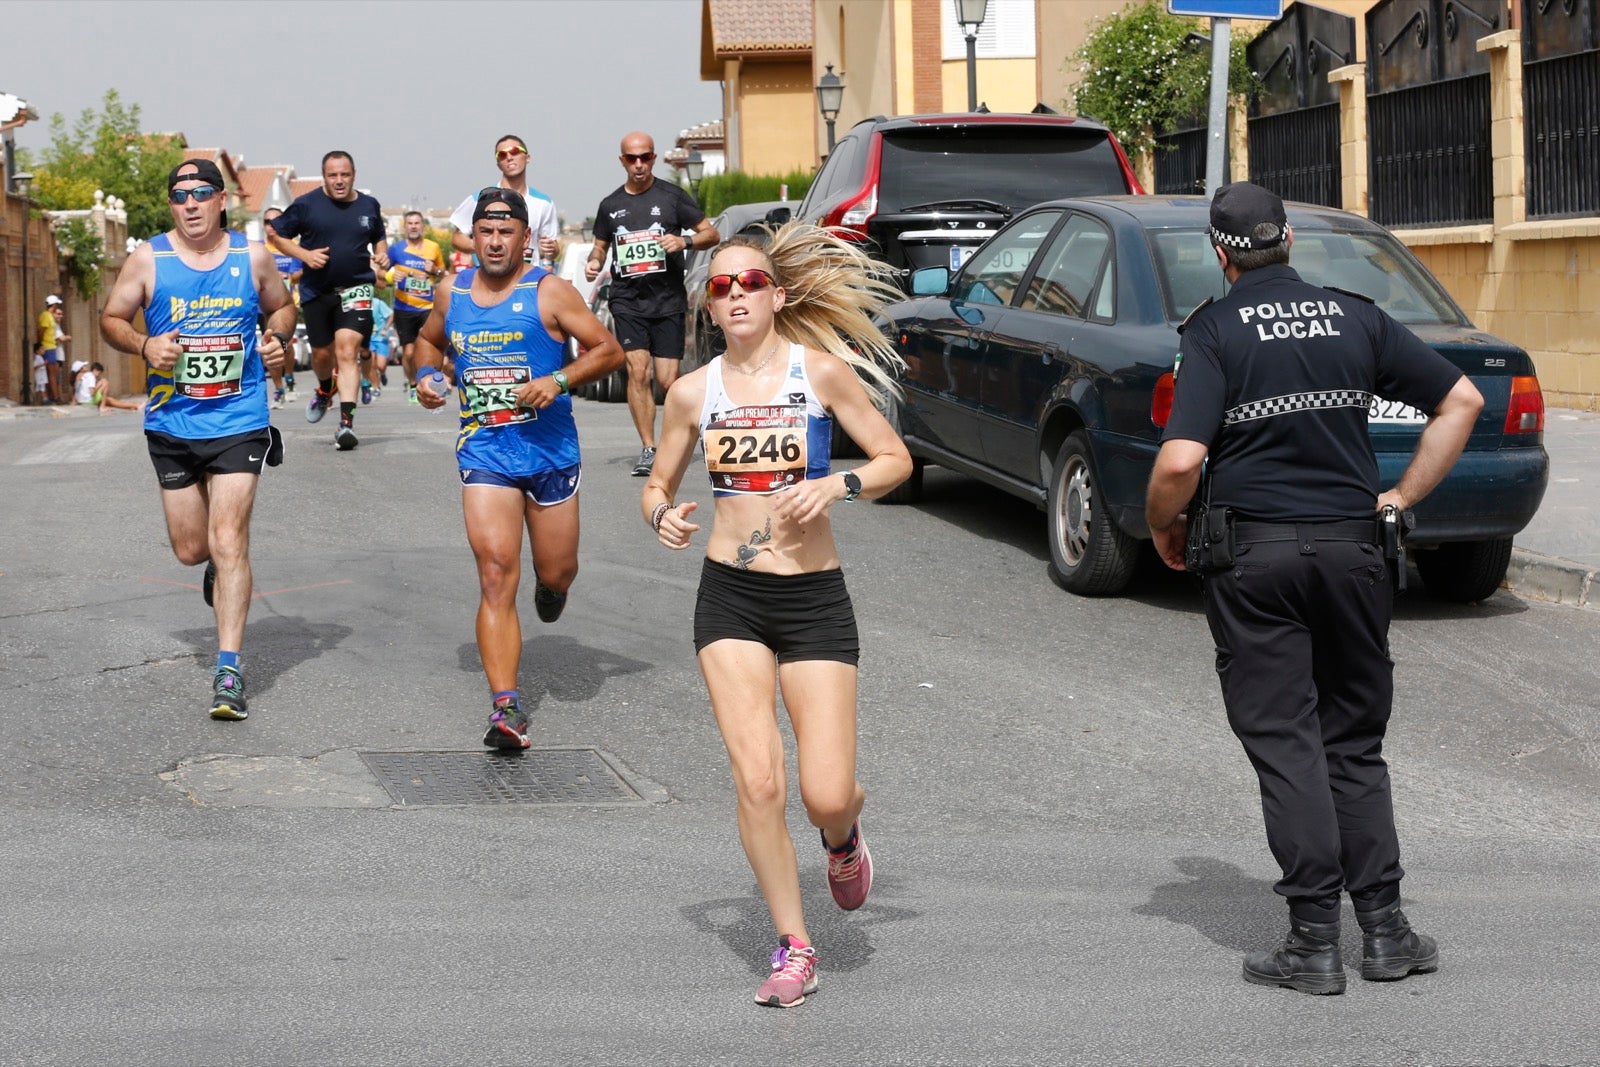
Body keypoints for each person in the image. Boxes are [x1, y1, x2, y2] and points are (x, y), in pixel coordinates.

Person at [1144, 182, 1484, 996]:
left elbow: (1182, 460)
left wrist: (1163, 526)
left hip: (1254, 559)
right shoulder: (1355, 315)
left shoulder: (1214, 330)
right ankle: (1387, 932)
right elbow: (1460, 399)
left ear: (1220, 254)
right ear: (1289, 239)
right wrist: (1399, 499)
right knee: (1353, 740)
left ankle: (1312, 943)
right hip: (1353, 550)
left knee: (1288, 741)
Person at [641, 222, 912, 1008]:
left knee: (825, 791)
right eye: (720, 287)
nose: (734, 296)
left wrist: (839, 486)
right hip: (730, 596)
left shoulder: (820, 373)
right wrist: (661, 513)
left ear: (777, 294)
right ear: (709, 305)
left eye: (749, 283)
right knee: (759, 779)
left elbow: (893, 457)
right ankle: (796, 945)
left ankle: (843, 834)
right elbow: (656, 482)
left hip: (814, 598)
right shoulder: (694, 392)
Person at [413, 188, 624, 750]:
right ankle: (505, 707)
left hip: (550, 455)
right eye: (486, 231)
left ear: (525, 238)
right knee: (495, 572)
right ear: (473, 236)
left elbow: (608, 350)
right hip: (485, 452)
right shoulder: (450, 291)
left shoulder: (550, 291)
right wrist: (427, 379)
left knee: (555, 573)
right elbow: (427, 344)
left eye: (507, 232)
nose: (496, 241)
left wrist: (556, 381)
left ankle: (552, 591)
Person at [99, 159, 296, 721]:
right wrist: (142, 346)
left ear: (220, 201)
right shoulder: (148, 259)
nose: (190, 204)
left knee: (229, 537)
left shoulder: (251, 256)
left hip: (239, 415)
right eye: (180, 196)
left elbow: (281, 307)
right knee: (194, 549)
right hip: (171, 422)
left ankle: (228, 669)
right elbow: (112, 318)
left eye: (201, 194)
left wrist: (277, 339)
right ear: (172, 205)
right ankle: (213, 565)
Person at [586, 131, 719, 476]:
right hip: (628, 299)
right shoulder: (610, 205)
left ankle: (690, 435)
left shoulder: (673, 197)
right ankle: (649, 447)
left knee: (668, 379)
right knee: (637, 371)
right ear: (622, 161)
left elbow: (711, 233)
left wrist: (683, 240)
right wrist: (593, 261)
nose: (639, 164)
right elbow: (600, 246)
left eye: (645, 157)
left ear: (654, 158)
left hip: (667, 298)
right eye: (632, 158)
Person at [266, 150, 389, 450]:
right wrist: (304, 255)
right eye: (332, 175)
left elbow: (379, 237)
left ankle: (346, 424)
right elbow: (275, 235)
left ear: (354, 175)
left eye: (344, 174)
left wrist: (382, 253)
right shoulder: (307, 205)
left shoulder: (368, 205)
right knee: (322, 356)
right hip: (317, 292)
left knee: (347, 352)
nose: (339, 181)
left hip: (356, 290)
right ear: (324, 177)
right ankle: (325, 388)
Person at [450, 134, 560, 267]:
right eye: (502, 155)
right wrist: (484, 246)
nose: (509, 157)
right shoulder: (481, 198)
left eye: (515, 151)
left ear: (527, 157)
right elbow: (456, 238)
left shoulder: (544, 203)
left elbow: (552, 249)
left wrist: (552, 249)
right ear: (498, 164)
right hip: (489, 279)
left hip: (528, 279)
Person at [387, 210, 447, 400]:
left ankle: (430, 382)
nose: (413, 226)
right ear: (405, 227)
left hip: (428, 307)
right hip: (404, 307)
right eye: (410, 223)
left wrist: (435, 269)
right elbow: (380, 274)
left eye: (417, 223)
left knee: (431, 346)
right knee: (409, 351)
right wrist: (390, 276)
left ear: (423, 226)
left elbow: (444, 273)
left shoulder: (433, 247)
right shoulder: (396, 249)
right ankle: (412, 384)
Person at [261, 206, 302, 408]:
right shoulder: (258, 248)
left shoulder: (290, 246)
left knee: (286, 346)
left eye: (276, 221)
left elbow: (297, 273)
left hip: (286, 305)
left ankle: (290, 376)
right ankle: (278, 388)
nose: (271, 226)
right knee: (270, 345)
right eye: (267, 222)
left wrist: (285, 276)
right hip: (262, 306)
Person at [74, 360, 143, 413]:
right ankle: (102, 407)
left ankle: (133, 406)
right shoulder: (91, 376)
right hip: (89, 400)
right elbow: (92, 392)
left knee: (110, 400)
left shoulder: (80, 377)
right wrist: (99, 386)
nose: (99, 375)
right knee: (105, 382)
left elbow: (76, 393)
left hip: (83, 400)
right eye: (84, 366)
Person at [37, 294, 70, 403]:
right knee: (51, 373)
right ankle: (55, 397)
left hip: (51, 347)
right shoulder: (46, 315)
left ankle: (53, 396)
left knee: (52, 373)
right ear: (54, 305)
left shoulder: (49, 316)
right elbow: (41, 330)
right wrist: (41, 343)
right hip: (48, 346)